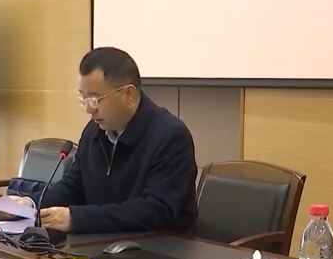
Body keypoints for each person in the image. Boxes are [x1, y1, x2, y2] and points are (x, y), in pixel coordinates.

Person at [13, 47, 199, 234]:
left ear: (128, 94)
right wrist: (29, 204)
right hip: (104, 241)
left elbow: (156, 211)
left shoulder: (170, 136)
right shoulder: (94, 131)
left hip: (161, 246)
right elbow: (74, 186)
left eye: (95, 99)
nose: (89, 109)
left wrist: (77, 218)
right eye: (83, 99)